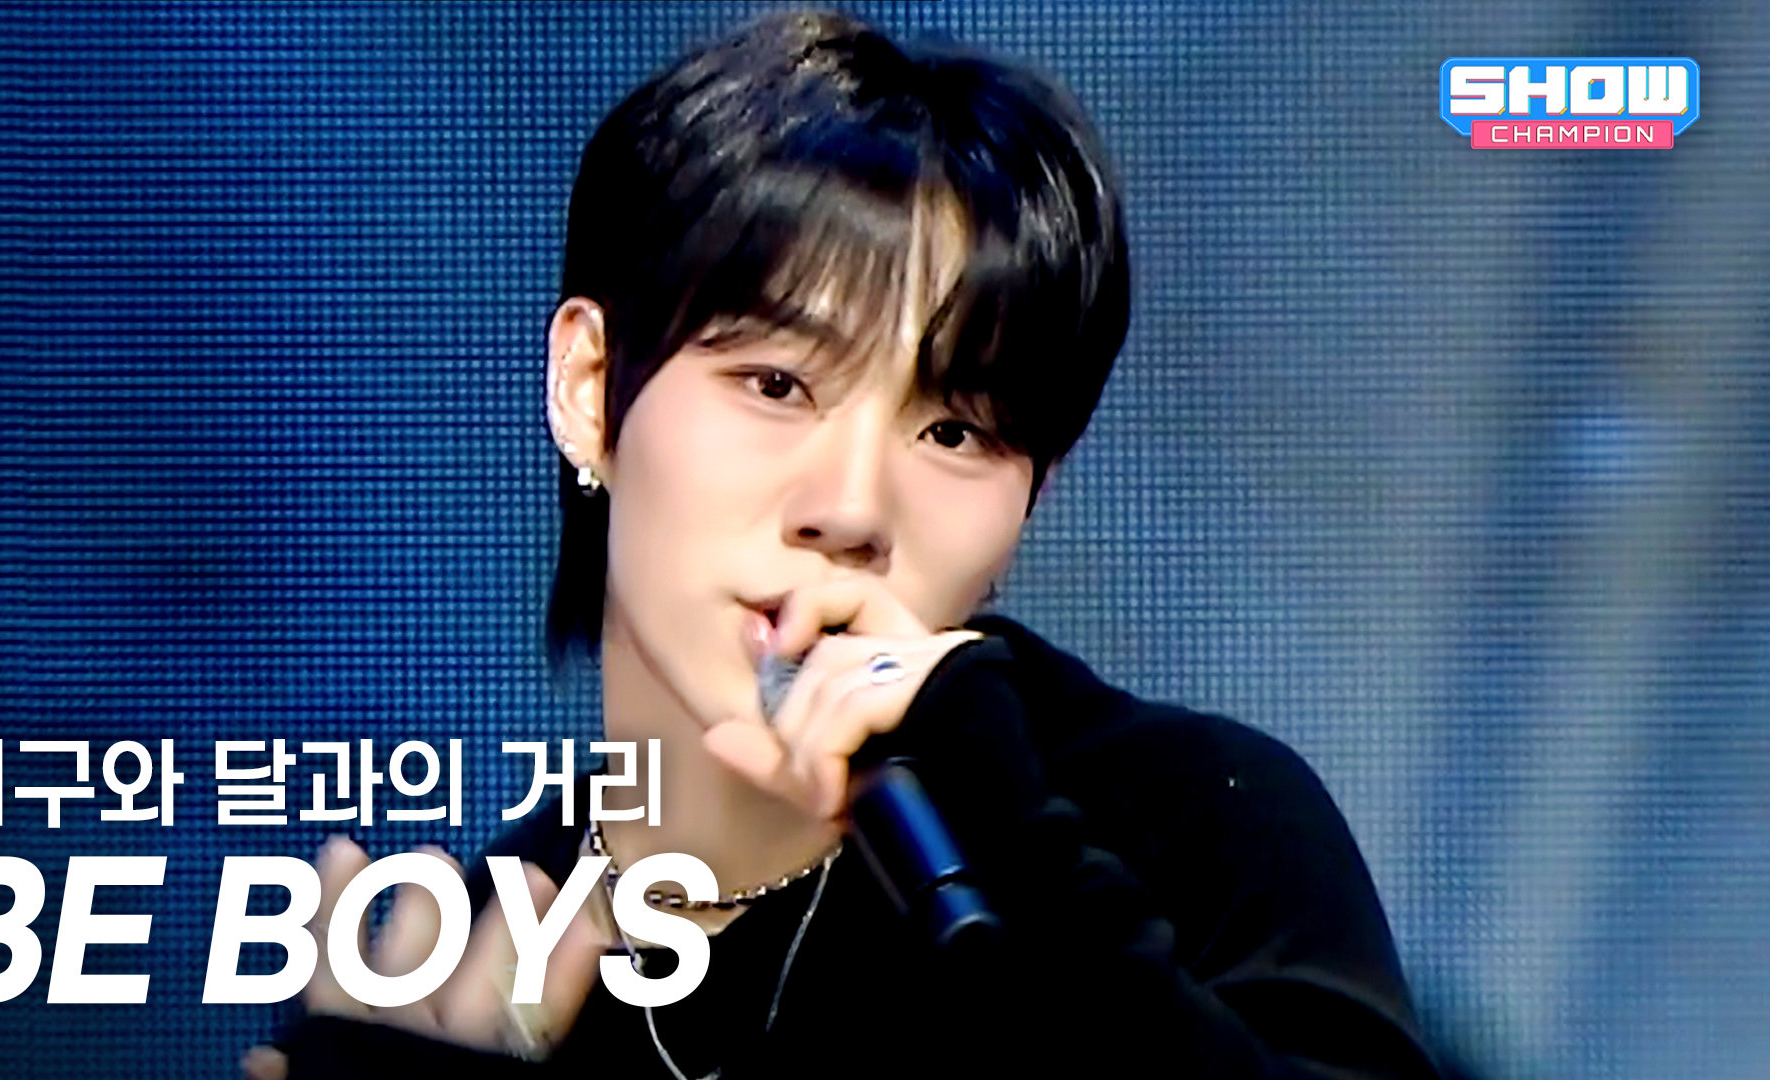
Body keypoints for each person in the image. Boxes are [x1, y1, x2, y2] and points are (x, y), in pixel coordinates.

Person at [245, 10, 1441, 1079]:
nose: (853, 508)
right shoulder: (464, 971)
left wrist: (1020, 855)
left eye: (954, 431)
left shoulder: (1188, 831)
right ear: (590, 388)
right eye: (776, 383)